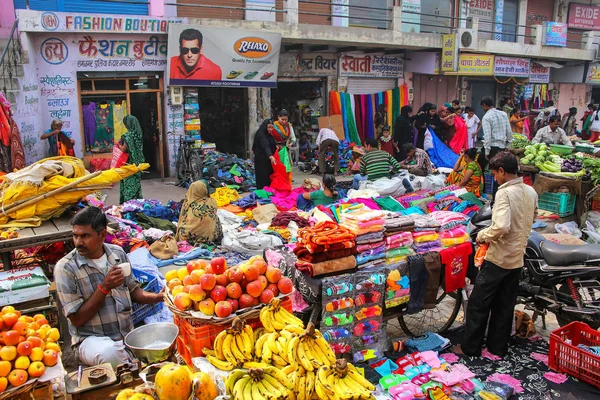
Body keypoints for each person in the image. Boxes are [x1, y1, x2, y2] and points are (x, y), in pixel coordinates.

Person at [54, 207, 164, 369]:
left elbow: (133, 290)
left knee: (162, 337)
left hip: (125, 336)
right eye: (75, 236)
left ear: (102, 235)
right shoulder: (65, 268)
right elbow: (77, 319)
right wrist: (104, 287)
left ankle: (130, 361)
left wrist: (158, 297)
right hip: (90, 340)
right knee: (109, 352)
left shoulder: (117, 253)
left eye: (85, 236)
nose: (78, 242)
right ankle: (131, 367)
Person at [452, 152, 537, 357]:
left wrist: (482, 235)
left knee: (478, 304)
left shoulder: (504, 193)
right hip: (517, 258)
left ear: (501, 171)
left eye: (495, 174)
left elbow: (501, 226)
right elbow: (533, 217)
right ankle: (497, 347)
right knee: (504, 305)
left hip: (498, 258)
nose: (495, 179)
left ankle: (470, 348)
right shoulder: (530, 191)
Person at [175, 180, 223, 245]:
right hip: (207, 238)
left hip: (186, 237)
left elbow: (182, 218)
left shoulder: (187, 202)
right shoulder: (212, 202)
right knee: (215, 218)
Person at [480, 96, 512, 174]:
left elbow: (487, 136)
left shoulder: (486, 117)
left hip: (492, 148)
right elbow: (509, 131)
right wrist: (508, 145)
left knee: (480, 167)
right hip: (502, 147)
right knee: (499, 170)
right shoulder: (503, 114)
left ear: (484, 105)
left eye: (482, 107)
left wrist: (487, 152)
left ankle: (484, 185)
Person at [118, 115, 145, 204]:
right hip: (138, 164)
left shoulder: (128, 136)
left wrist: (118, 145)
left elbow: (123, 149)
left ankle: (128, 203)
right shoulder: (138, 135)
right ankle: (137, 202)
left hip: (129, 164)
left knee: (128, 183)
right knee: (136, 183)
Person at [252, 119, 277, 190]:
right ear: (265, 126)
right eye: (269, 127)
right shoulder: (261, 134)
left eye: (272, 127)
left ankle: (268, 191)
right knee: (263, 177)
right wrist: (270, 156)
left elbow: (270, 144)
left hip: (267, 160)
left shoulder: (268, 134)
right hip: (261, 160)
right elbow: (265, 145)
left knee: (269, 176)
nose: (270, 129)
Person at [274, 109, 296, 184]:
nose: (284, 121)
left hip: (285, 148)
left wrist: (291, 143)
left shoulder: (289, 125)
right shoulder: (274, 126)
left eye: (286, 119)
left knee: (287, 165)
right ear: (278, 117)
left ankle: (286, 180)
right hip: (276, 149)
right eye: (282, 119)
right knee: (278, 166)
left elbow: (293, 137)